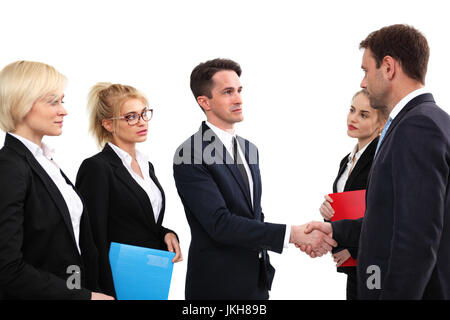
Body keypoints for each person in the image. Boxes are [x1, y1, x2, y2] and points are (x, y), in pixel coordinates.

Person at [305, 24, 450, 299]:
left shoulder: (417, 126)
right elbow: (391, 219)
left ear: (388, 67)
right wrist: (335, 228)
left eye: (365, 70)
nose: (363, 82)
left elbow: (416, 238)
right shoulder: (428, 120)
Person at [173, 58, 337, 300]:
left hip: (255, 282)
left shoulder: (249, 149)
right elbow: (219, 224)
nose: (238, 99)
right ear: (204, 101)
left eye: (239, 90)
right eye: (228, 92)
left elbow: (252, 214)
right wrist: (292, 234)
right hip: (216, 287)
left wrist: (303, 239)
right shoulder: (189, 153)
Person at [0, 61, 112, 300]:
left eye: (62, 100)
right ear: (21, 103)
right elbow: (7, 269)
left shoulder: (45, 161)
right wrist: (84, 298)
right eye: (53, 101)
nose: (64, 110)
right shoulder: (9, 168)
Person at [75, 82, 182, 298]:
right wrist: (99, 291)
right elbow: (92, 236)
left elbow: (137, 220)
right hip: (115, 282)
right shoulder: (97, 167)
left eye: (144, 114)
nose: (142, 122)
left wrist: (166, 233)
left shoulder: (146, 165)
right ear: (108, 124)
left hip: (148, 275)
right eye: (130, 117)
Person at [319, 89, 387, 300]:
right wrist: (328, 212)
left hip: (373, 262)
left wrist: (354, 250)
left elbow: (384, 217)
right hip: (351, 260)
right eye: (352, 110)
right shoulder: (347, 160)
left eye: (363, 115)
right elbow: (348, 205)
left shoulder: (381, 160)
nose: (353, 118)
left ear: (381, 125)